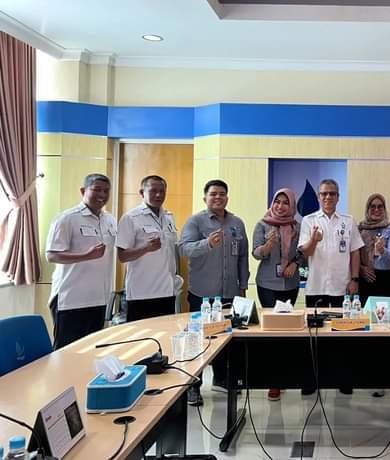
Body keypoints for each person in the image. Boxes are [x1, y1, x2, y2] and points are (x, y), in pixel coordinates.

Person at [179, 179, 249, 406]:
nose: (218, 197)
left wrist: (243, 286)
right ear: (205, 198)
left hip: (229, 292)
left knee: (224, 338)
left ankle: (221, 378)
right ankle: (193, 387)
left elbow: (243, 256)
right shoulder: (195, 221)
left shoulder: (236, 223)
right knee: (199, 339)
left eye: (222, 194)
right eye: (213, 194)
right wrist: (207, 244)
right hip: (202, 293)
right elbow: (183, 249)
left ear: (227, 198)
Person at [46, 174, 116, 349]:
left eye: (106, 191)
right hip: (71, 299)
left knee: (92, 350)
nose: (102, 195)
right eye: (97, 190)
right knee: (67, 352)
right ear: (83, 191)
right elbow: (52, 255)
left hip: (98, 298)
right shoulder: (67, 218)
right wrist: (86, 256)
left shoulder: (110, 220)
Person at [252, 188, 303, 401]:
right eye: (277, 202)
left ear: (291, 206)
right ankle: (273, 381)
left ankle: (283, 375)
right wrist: (268, 245)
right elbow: (256, 253)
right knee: (271, 330)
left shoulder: (297, 226)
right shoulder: (262, 224)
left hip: (290, 284)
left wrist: (295, 263)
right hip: (267, 284)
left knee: (286, 330)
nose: (280, 206)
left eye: (285, 203)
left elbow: (303, 252)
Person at [116, 175, 178, 322]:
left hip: (167, 291)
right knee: (142, 334)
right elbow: (122, 256)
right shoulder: (131, 218)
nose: (158, 195)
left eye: (162, 191)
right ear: (142, 192)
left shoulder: (169, 217)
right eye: (153, 191)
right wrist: (145, 248)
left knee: (165, 333)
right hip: (141, 293)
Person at [298, 179, 364, 309]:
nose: (328, 197)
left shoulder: (348, 221)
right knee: (315, 321)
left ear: (338, 197)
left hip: (341, 287)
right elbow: (305, 253)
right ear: (318, 197)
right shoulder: (308, 220)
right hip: (316, 287)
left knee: (341, 321)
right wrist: (314, 240)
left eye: (332, 194)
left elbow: (355, 252)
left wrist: (355, 280)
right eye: (324, 194)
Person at [358, 193, 390, 304]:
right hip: (364, 278)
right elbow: (354, 255)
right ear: (367, 209)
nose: (376, 209)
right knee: (365, 313)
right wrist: (361, 269)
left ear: (384, 209)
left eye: (380, 206)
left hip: (385, 279)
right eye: (372, 206)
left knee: (386, 313)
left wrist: (382, 250)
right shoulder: (360, 230)